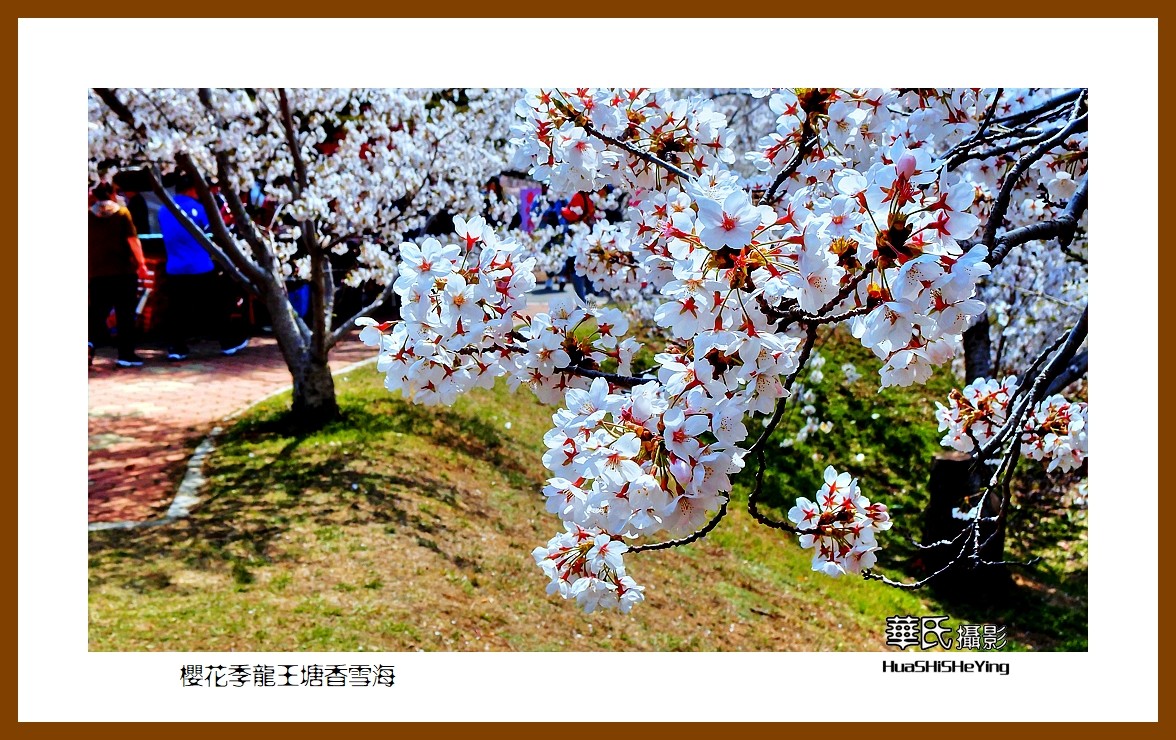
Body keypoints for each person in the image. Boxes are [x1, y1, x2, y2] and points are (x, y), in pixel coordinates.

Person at [157, 174, 248, 360]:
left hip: (174, 266)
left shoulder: (163, 210)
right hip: (200, 265)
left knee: (176, 309)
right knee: (216, 305)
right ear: (192, 188)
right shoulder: (198, 208)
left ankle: (176, 347)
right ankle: (228, 342)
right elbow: (215, 230)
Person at [89, 182, 149, 367]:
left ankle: (88, 343)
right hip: (123, 271)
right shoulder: (123, 213)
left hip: (97, 272)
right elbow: (133, 240)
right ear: (113, 194)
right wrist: (141, 263)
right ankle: (126, 354)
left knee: (97, 313)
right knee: (125, 314)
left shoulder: (87, 215)